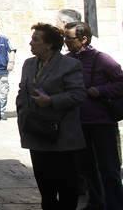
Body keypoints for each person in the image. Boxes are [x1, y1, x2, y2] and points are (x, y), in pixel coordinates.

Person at [17, 23, 86, 210]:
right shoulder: (29, 64)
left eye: (35, 40)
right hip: (36, 134)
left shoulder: (70, 65)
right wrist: (22, 112)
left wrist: (51, 100)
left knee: (66, 190)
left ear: (49, 45)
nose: (31, 43)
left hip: (62, 137)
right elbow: (22, 92)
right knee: (46, 190)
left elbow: (78, 94)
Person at [64, 21, 123, 210]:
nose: (66, 42)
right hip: (79, 123)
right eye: (64, 37)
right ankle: (96, 202)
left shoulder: (102, 59)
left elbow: (121, 82)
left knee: (109, 168)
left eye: (69, 38)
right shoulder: (66, 60)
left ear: (83, 39)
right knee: (87, 167)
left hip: (101, 122)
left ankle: (114, 204)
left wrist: (101, 90)